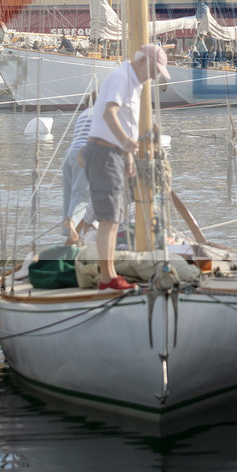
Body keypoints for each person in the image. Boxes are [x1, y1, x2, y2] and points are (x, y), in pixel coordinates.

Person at [81, 43, 171, 291]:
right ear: (144, 61)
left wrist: (128, 157)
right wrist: (123, 143)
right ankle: (107, 278)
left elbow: (124, 121)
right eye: (155, 69)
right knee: (108, 217)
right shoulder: (122, 77)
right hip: (103, 152)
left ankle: (109, 276)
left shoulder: (135, 83)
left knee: (114, 216)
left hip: (113, 153)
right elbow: (110, 113)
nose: (155, 75)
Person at [59, 93, 95, 244]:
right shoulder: (101, 113)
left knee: (70, 195)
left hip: (69, 153)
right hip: (84, 153)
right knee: (82, 195)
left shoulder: (83, 114)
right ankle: (73, 225)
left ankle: (69, 232)